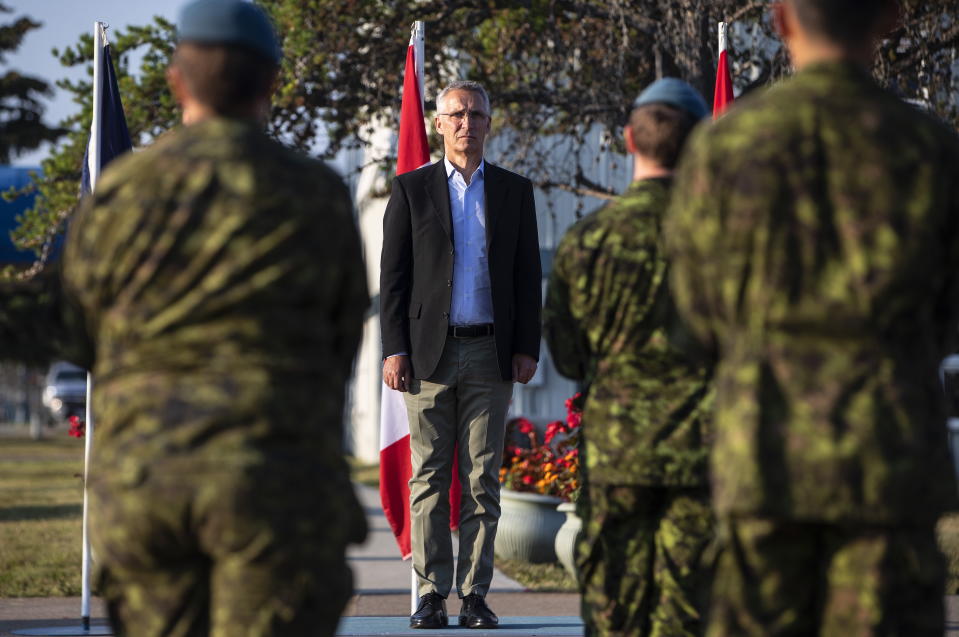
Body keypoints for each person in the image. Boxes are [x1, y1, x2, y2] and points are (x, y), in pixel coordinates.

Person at [0, 0, 369, 634]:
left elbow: (83, 333)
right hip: (274, 478)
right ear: (271, 83)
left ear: (177, 80)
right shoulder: (316, 193)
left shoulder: (121, 192)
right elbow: (341, 336)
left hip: (150, 479)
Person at [665, 0, 959, 634]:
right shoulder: (932, 150)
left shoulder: (725, 146)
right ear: (889, 21)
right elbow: (951, 313)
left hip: (763, 450)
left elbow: (693, 318)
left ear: (780, 22)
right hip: (889, 453)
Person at [544, 78, 715, 637]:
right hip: (703, 455)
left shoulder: (587, 241)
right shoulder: (729, 239)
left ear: (627, 140)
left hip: (616, 452)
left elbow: (568, 357)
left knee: (614, 612)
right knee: (687, 612)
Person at [380, 80, 542, 629]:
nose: (466, 123)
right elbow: (393, 281)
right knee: (427, 477)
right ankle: (430, 595)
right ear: (438, 123)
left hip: (490, 353)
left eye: (476, 114)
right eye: (456, 114)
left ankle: (474, 594)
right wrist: (393, 349)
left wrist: (526, 346)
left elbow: (527, 277)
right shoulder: (410, 190)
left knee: (482, 479)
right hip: (427, 356)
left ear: (489, 124)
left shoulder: (515, 193)